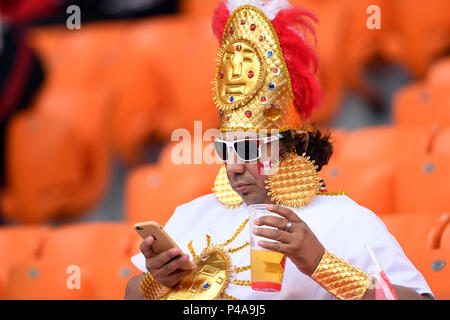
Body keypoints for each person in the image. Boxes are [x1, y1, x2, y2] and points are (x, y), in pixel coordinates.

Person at [125, 0, 433, 300]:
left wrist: (322, 265)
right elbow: (130, 294)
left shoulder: (345, 220)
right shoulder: (192, 214)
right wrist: (157, 283)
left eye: (248, 148)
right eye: (224, 149)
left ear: (296, 143)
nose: (232, 166)